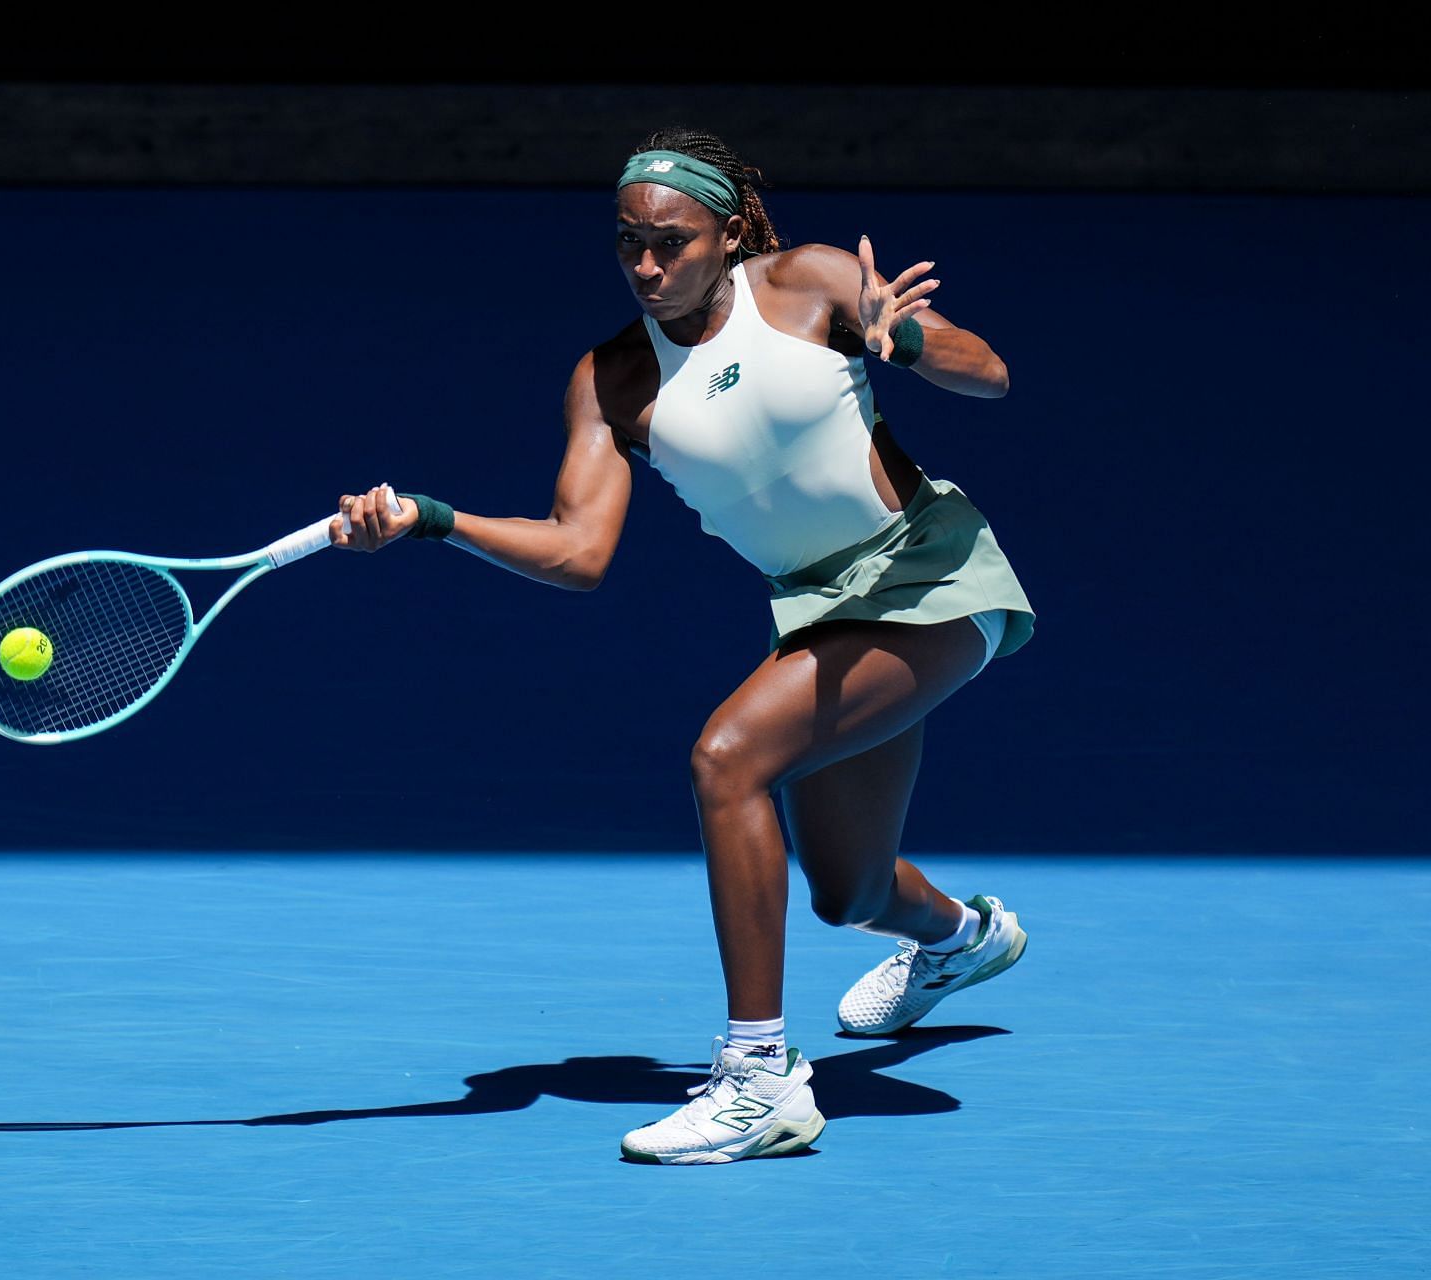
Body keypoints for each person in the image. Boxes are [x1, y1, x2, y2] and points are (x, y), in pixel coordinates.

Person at [330, 126, 1036, 1165]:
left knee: (726, 755)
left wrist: (911, 343)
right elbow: (578, 550)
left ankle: (759, 1079)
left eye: (673, 241)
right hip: (815, 610)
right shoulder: (613, 377)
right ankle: (964, 936)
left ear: (732, 231)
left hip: (928, 575)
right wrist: (438, 519)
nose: (649, 265)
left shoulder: (810, 282)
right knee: (849, 890)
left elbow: (995, 375)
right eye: (630, 244)